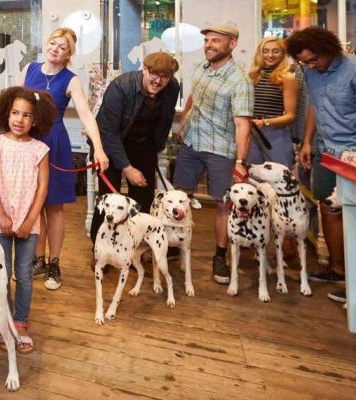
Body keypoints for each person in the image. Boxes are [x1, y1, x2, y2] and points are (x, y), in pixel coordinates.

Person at [286, 26, 356, 303]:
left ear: (327, 49)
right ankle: (338, 269)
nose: (309, 65)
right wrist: (308, 141)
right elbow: (315, 107)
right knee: (328, 209)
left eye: (313, 59)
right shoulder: (310, 72)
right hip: (326, 151)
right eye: (304, 62)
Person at [23, 27, 109, 291]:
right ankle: (37, 260)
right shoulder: (29, 69)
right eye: (53, 43)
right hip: (28, 142)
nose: (55, 49)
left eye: (63, 47)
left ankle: (54, 263)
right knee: (32, 205)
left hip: (54, 142)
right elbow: (15, 105)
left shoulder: (72, 80)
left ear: (69, 54)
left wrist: (99, 147)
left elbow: (85, 114)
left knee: (54, 206)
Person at [174, 24, 253, 286]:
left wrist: (240, 162)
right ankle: (176, 243)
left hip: (220, 149)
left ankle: (220, 256)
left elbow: (243, 125)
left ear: (231, 44)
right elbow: (193, 100)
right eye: (207, 40)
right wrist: (182, 125)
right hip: (192, 144)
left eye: (215, 40)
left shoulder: (239, 81)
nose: (209, 45)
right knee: (181, 197)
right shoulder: (200, 68)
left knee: (223, 204)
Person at [0, 86, 55, 354]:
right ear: (6, 113)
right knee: (2, 275)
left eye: (26, 115)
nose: (19, 119)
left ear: (35, 120)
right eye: (15, 113)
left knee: (24, 275)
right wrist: (1, 214)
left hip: (28, 221)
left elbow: (42, 188)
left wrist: (30, 220)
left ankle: (21, 323)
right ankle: (5, 322)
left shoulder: (40, 149)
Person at [90, 52, 180, 246]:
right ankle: (100, 247)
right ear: (144, 69)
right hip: (110, 144)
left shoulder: (173, 88)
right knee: (109, 199)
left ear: (170, 77)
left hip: (143, 143)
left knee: (143, 196)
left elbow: (166, 118)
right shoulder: (121, 87)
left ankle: (133, 245)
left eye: (164, 77)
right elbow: (109, 133)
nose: (157, 81)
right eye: (153, 74)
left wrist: (156, 149)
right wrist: (127, 168)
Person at [247, 36, 298, 168]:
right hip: (252, 133)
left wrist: (266, 122)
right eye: (265, 51)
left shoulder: (287, 78)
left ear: (283, 53)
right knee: (254, 180)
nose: (270, 55)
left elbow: (290, 116)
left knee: (279, 179)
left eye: (275, 51)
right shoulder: (253, 76)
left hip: (275, 134)